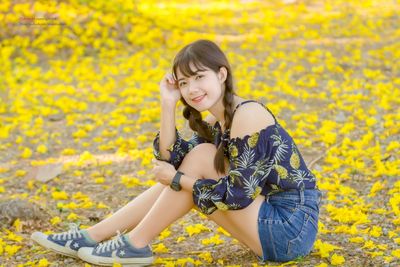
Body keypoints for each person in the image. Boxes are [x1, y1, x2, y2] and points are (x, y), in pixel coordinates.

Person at [31, 39, 322, 265]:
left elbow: (238, 195)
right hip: (268, 226)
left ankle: (134, 244)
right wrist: (167, 103)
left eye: (198, 77)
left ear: (222, 74)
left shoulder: (248, 114)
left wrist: (179, 179)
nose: (191, 89)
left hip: (290, 229)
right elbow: (172, 158)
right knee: (194, 161)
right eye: (184, 83)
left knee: (198, 161)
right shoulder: (216, 118)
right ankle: (93, 236)